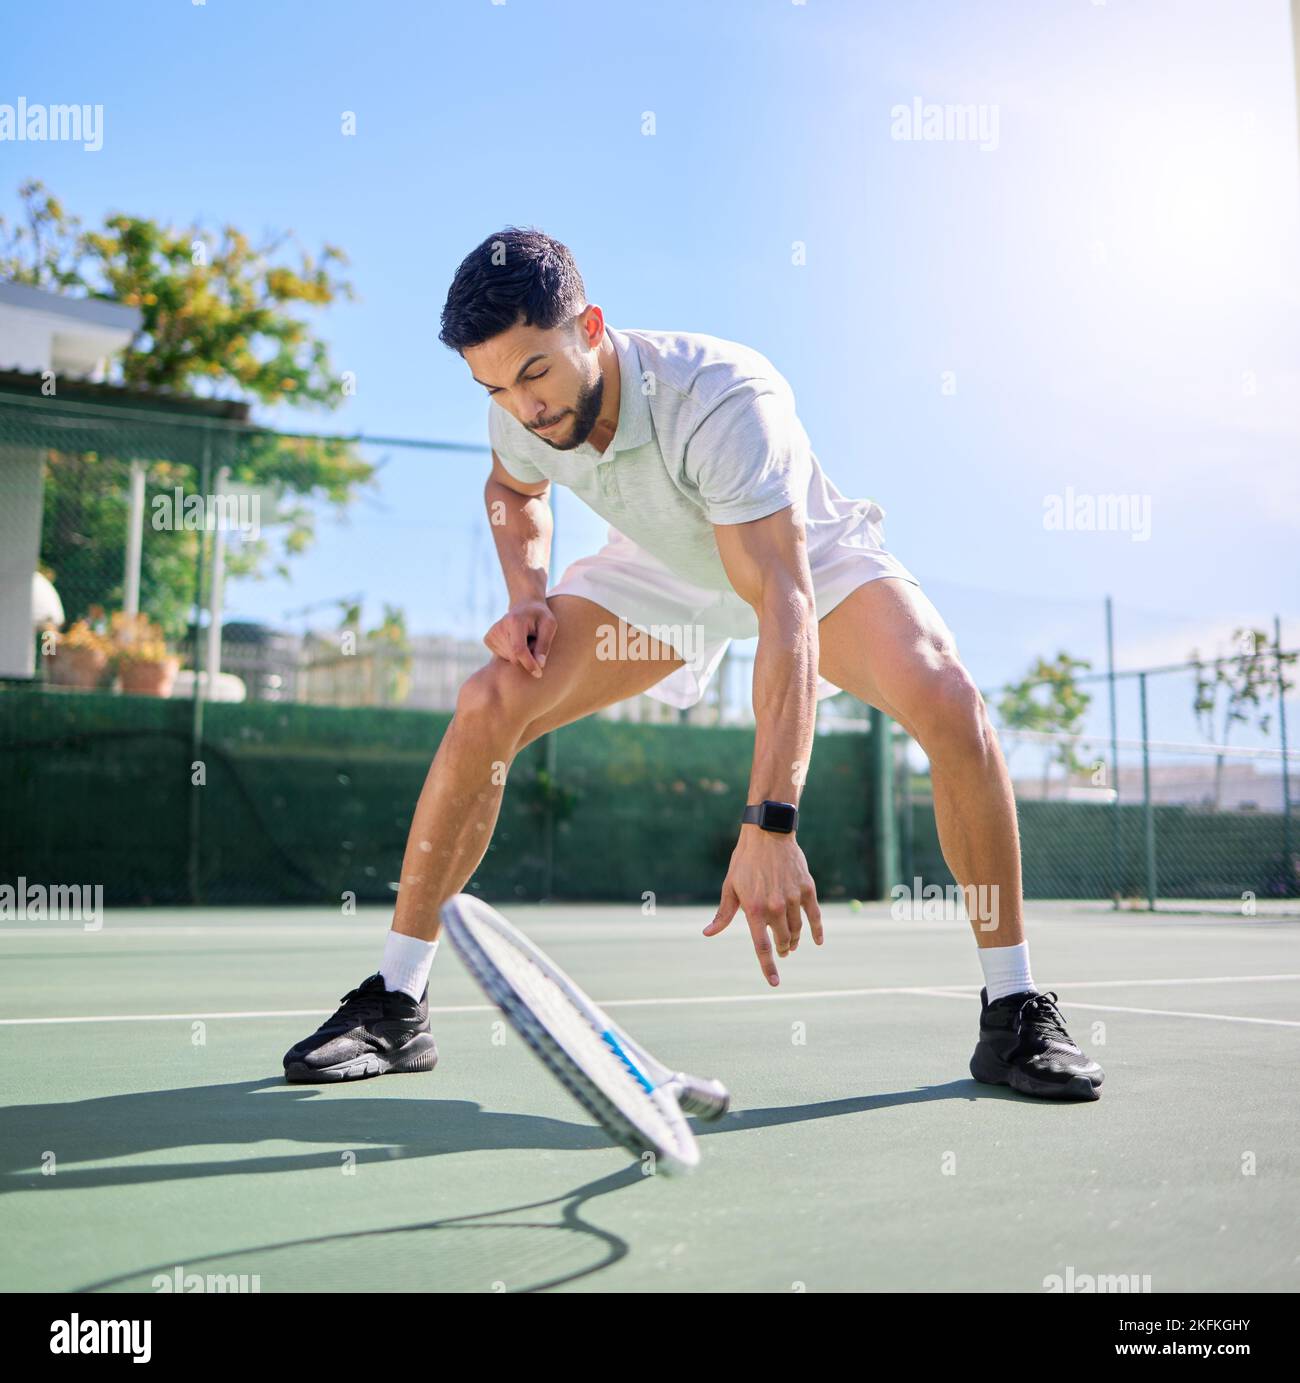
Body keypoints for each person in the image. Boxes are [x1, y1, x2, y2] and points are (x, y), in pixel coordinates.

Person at [283, 227, 1104, 1102]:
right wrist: (526, 593)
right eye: (493, 386)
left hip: (801, 560)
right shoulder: (517, 415)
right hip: (660, 570)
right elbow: (511, 489)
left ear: (590, 326)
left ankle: (1012, 1010)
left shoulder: (719, 397)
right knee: (491, 698)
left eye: (535, 373)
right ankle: (396, 1003)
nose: (523, 405)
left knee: (953, 704)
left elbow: (784, 608)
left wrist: (770, 823)